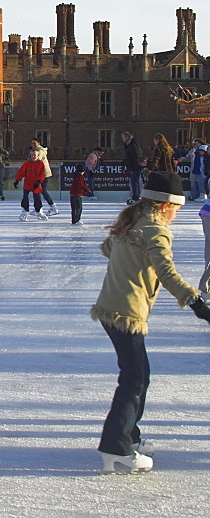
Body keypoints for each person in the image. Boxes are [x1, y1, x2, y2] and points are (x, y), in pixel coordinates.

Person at [90, 171, 210, 473]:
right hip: (126, 314)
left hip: (110, 307)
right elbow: (166, 271)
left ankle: (129, 435)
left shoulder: (133, 220)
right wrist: (195, 302)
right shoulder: (155, 230)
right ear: (166, 206)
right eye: (177, 209)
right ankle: (116, 447)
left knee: (138, 375)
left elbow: (108, 248)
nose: (177, 215)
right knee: (134, 378)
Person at [14, 150, 47, 221]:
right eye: (32, 155)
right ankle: (25, 211)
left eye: (35, 155)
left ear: (38, 156)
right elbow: (21, 171)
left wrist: (39, 181)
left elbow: (42, 173)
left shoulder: (40, 163)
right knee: (25, 197)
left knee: (37, 198)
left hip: (36, 184)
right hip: (28, 183)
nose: (33, 156)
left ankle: (39, 211)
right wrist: (17, 180)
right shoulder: (27, 163)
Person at [121, 132, 143, 205]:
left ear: (127, 137)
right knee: (135, 181)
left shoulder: (132, 145)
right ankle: (136, 196)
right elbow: (129, 157)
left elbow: (136, 156)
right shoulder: (129, 145)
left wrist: (132, 165)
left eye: (123, 138)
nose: (122, 139)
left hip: (136, 166)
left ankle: (136, 197)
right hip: (134, 166)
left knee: (135, 181)